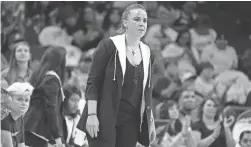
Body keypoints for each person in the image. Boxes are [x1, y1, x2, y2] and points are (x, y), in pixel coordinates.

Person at [77, 3, 156, 147]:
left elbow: (147, 91)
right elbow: (93, 83)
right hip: (103, 115)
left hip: (130, 121)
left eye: (144, 20)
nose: (142, 24)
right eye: (136, 19)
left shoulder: (147, 52)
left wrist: (150, 121)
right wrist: (92, 115)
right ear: (125, 22)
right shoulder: (108, 46)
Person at [24, 46, 67, 147]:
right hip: (39, 130)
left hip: (30, 127)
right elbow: (50, 109)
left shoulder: (38, 74)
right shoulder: (51, 79)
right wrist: (57, 137)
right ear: (60, 60)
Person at [1, 82, 34, 147]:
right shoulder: (4, 121)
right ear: (9, 100)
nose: (24, 103)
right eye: (19, 99)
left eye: (26, 100)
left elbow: (21, 145)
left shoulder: (19, 118)